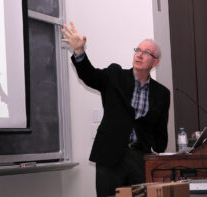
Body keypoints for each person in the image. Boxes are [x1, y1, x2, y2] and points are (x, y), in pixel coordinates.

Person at [61, 22, 170, 197]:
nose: (139, 55)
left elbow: (160, 132)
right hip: (110, 156)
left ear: (155, 62)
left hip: (140, 159)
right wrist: (79, 51)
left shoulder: (162, 93)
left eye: (146, 53)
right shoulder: (115, 75)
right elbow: (90, 75)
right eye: (137, 50)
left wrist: (154, 154)